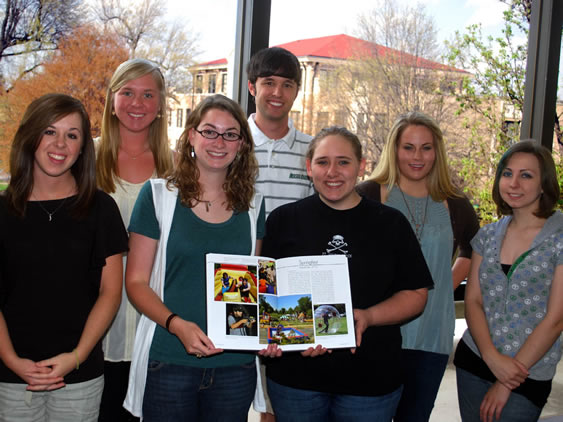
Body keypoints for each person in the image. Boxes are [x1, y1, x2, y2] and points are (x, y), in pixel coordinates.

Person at [260, 126, 433, 421]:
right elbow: (266, 296)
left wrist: (368, 317)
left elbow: (416, 295)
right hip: (295, 380)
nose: (333, 172)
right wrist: (273, 336)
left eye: (343, 162)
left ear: (361, 166)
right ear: (308, 167)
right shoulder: (282, 220)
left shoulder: (390, 224)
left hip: (370, 380)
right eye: (323, 162)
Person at [123, 94, 265, 421]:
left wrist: (268, 334)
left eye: (231, 134)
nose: (219, 141)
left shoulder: (255, 204)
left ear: (242, 144)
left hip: (234, 368)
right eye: (209, 131)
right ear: (191, 136)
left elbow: (251, 290)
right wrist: (177, 326)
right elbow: (136, 282)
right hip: (169, 361)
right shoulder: (158, 196)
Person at [0, 94, 128, 421]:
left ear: (83, 146)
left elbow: (110, 292)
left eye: (72, 135)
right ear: (30, 136)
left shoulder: (101, 209)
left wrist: (77, 356)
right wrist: (12, 361)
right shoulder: (3, 210)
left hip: (79, 375)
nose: (60, 143)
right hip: (11, 376)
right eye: (49, 131)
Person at [356, 111, 480, 422]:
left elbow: (472, 250)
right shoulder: (369, 194)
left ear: (437, 152)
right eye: (408, 147)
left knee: (415, 416)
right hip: (377, 330)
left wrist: (443, 285)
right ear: (394, 150)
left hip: (431, 332)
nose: (417, 156)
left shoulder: (455, 204)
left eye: (426, 147)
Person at [454, 140, 562, 422]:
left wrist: (505, 381)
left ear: (543, 184)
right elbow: (474, 301)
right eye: (507, 173)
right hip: (475, 361)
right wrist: (490, 357)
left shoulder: (560, 238)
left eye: (526, 175)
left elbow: (556, 318)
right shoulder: (487, 236)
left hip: (527, 372)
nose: (514, 183)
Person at [96, 58, 173, 422]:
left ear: (160, 106)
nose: (137, 103)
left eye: (147, 94)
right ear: (112, 99)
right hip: (95, 309)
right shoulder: (83, 156)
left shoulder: (176, 167)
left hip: (153, 310)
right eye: (127, 92)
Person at [247, 46, 314, 217]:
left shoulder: (313, 150)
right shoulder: (229, 145)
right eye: (269, 83)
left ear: (296, 92)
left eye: (287, 85)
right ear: (252, 87)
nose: (278, 93)